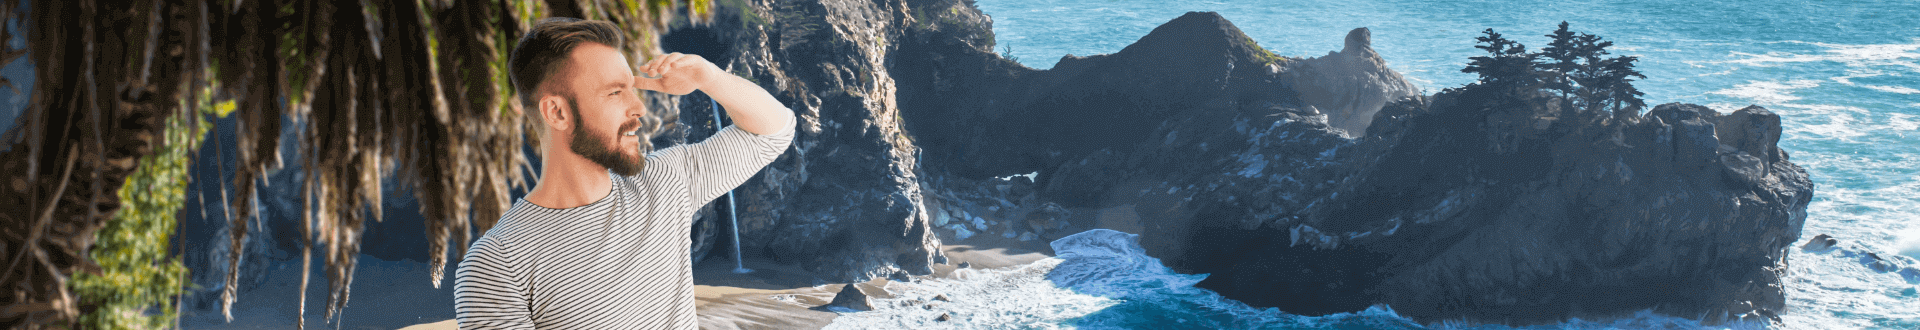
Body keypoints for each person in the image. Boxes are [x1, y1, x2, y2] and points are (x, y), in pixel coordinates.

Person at [453, 17, 793, 330]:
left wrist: (709, 78)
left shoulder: (663, 182)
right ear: (556, 112)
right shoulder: (497, 264)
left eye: (632, 88)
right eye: (615, 92)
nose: (639, 107)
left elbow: (773, 131)